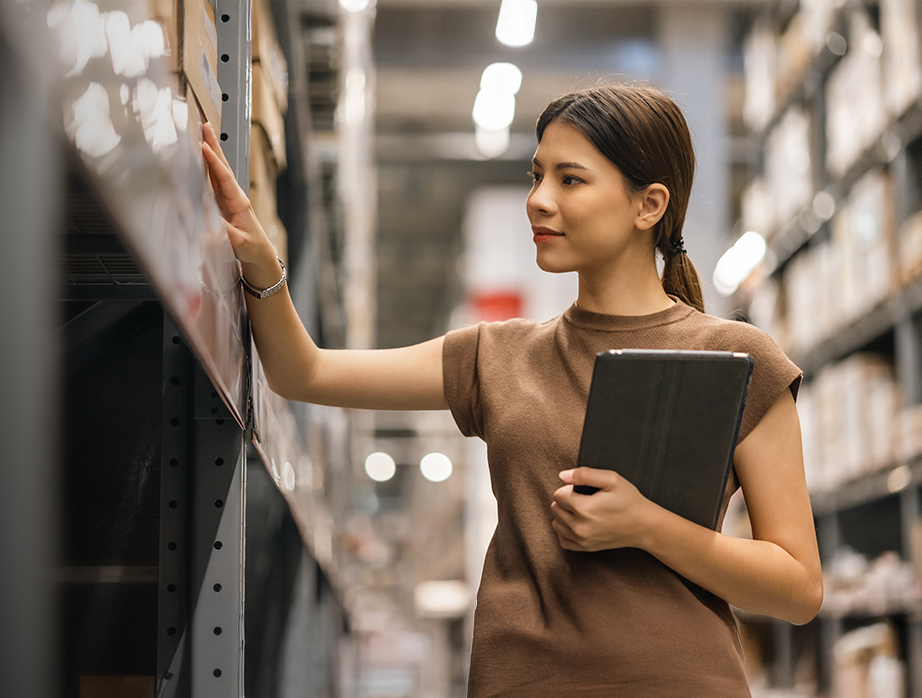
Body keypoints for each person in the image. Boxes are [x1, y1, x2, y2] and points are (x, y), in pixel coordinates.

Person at [200, 84, 821, 697]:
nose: (538, 200)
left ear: (648, 205)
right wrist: (260, 261)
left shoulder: (738, 359)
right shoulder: (493, 355)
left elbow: (797, 589)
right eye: (536, 176)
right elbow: (303, 374)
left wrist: (647, 526)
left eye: (570, 180)